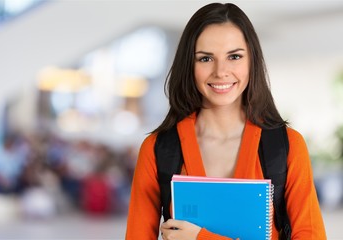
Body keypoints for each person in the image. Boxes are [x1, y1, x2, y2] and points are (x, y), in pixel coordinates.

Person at [125, 2, 326, 240]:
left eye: (234, 56)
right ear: (189, 65)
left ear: (252, 61)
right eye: (205, 59)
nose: (221, 71)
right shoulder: (158, 149)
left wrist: (201, 238)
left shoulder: (287, 146)